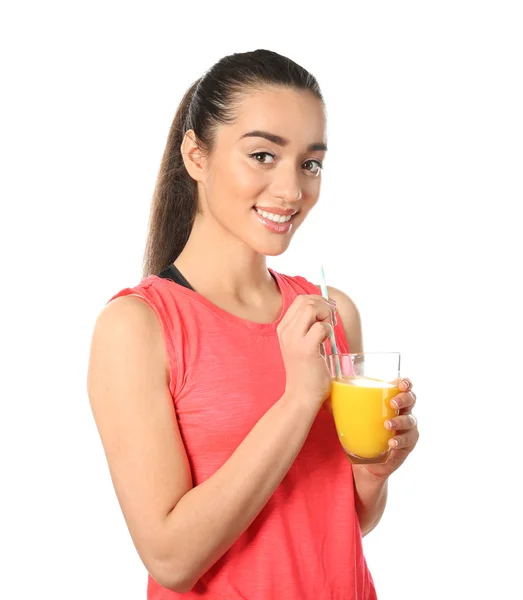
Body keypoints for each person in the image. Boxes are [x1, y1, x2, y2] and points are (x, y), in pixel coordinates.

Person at [87, 49, 419, 600]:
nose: (292, 190)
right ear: (196, 155)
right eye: (263, 155)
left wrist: (374, 471)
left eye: (310, 163)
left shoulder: (331, 313)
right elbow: (171, 558)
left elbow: (341, 522)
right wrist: (296, 401)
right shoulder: (137, 327)